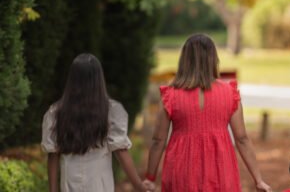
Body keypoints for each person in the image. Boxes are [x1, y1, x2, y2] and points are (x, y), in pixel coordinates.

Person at [143, 34, 271, 192]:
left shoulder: (171, 95)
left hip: (182, 170)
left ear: (185, 60)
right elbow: (242, 138)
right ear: (213, 59)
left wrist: (150, 178)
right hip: (220, 168)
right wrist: (258, 180)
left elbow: (158, 141)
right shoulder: (229, 93)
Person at [41, 53, 148, 192]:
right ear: (99, 79)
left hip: (69, 185)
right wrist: (140, 187)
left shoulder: (56, 112)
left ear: (72, 79)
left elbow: (53, 156)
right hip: (100, 185)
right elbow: (121, 151)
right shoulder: (111, 111)